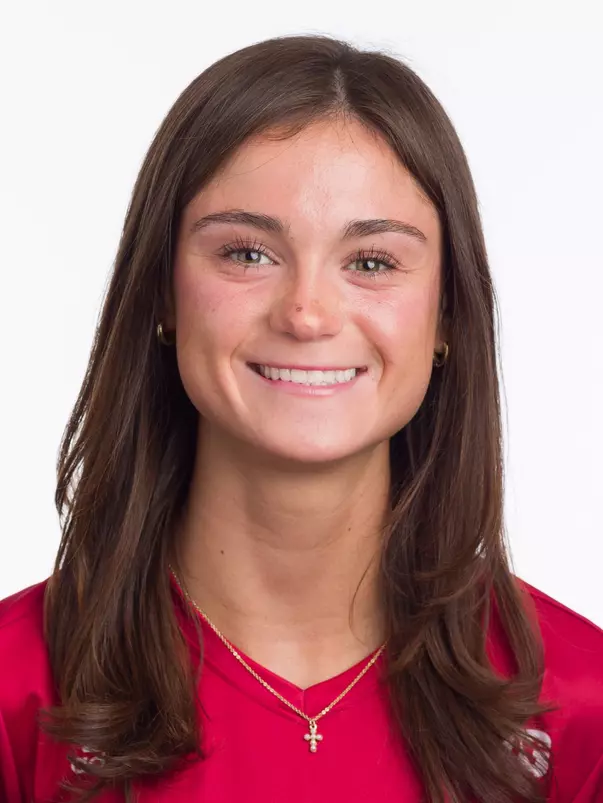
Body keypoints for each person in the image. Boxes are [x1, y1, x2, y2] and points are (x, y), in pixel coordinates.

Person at [0, 33, 601, 803]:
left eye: (372, 261)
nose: (307, 312)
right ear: (161, 293)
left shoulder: (577, 707)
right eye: (248, 253)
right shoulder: (20, 692)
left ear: (446, 312)